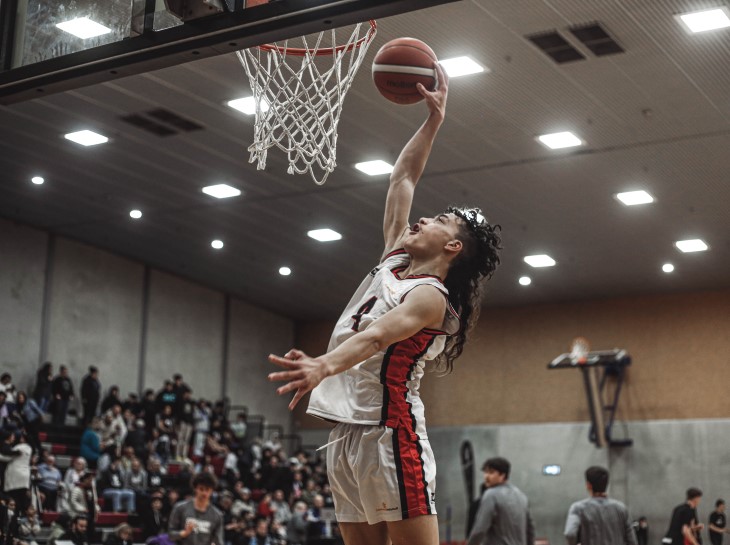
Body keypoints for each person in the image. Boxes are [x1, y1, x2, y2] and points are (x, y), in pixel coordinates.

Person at [268, 63, 501, 545]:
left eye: (439, 221)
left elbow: (374, 336)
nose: (423, 218)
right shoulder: (395, 257)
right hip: (343, 434)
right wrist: (434, 121)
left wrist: (323, 366)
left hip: (392, 434)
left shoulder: (429, 298)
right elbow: (403, 177)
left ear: (452, 248)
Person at [466, 457, 534, 545]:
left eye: (491, 472)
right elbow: (530, 529)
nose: (486, 476)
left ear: (502, 475)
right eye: (485, 472)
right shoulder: (521, 496)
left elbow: (480, 529)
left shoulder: (491, 495)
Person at [563, 466, 637, 545]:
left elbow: (570, 533)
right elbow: (632, 541)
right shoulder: (621, 509)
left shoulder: (578, 508)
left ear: (588, 485)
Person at [168, 472, 224, 545]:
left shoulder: (217, 515)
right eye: (201, 489)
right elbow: (171, 535)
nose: (204, 493)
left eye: (207, 489)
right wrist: (184, 533)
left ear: (212, 491)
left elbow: (219, 541)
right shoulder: (180, 508)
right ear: (195, 489)